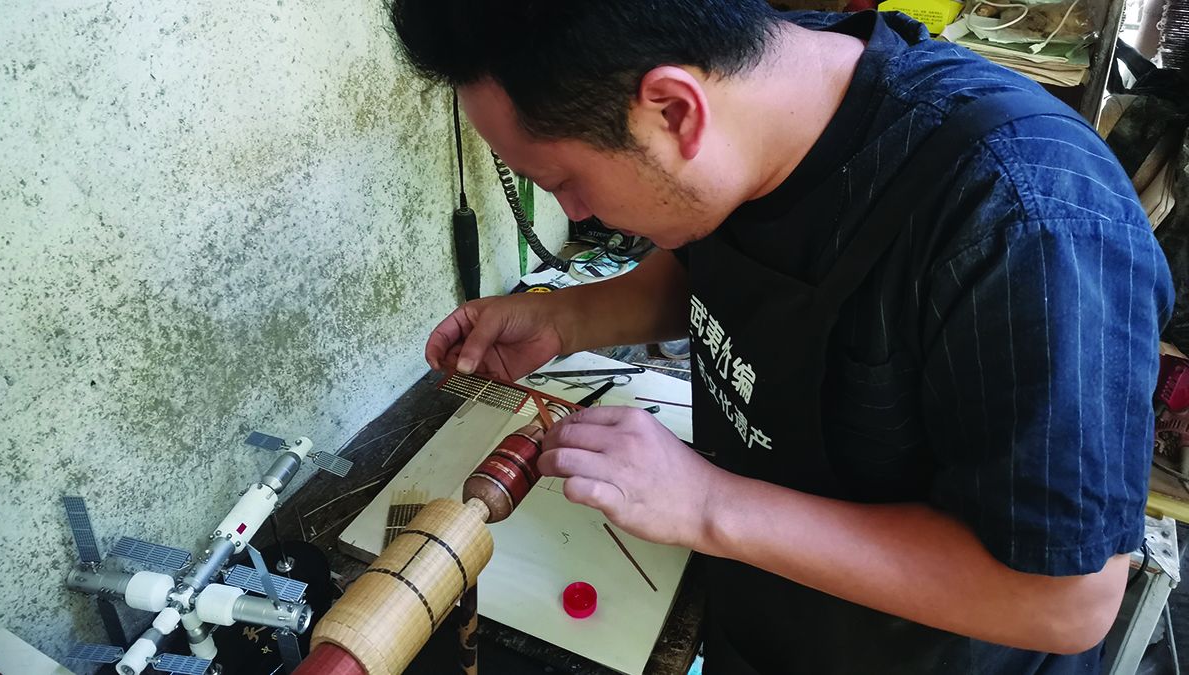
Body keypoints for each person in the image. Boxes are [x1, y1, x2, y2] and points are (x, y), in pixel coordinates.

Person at [391, 1, 1174, 672]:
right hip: (767, 626)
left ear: (673, 112)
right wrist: (569, 317)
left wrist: (709, 504)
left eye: (565, 183)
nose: (580, 216)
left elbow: (1068, 598)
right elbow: (716, 260)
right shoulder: (756, 110)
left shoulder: (1024, 223)